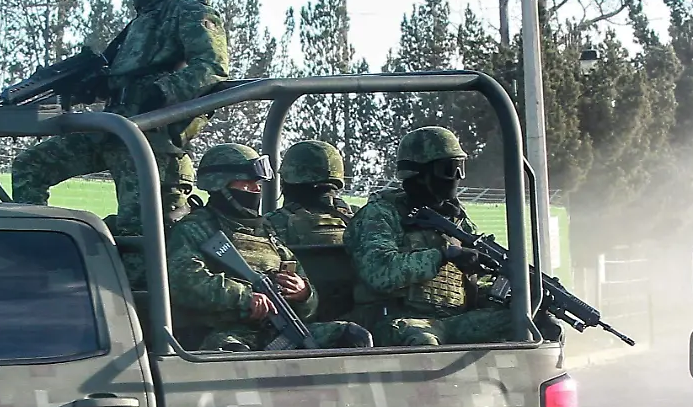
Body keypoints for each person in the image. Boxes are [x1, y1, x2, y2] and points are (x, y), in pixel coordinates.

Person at [10, 0, 227, 235]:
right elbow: (129, 71)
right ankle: (39, 244)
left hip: (151, 140)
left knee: (142, 234)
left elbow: (212, 66)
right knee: (30, 166)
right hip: (116, 129)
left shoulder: (190, 11)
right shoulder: (146, 17)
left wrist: (160, 92)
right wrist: (99, 84)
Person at [166, 144, 371, 352]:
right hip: (223, 333)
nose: (256, 190)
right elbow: (185, 281)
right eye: (247, 184)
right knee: (234, 353)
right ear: (220, 184)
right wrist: (245, 298)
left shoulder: (266, 231)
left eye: (257, 183)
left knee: (352, 336)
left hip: (274, 331)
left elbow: (308, 303)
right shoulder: (195, 229)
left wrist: (303, 293)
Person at [347, 126, 526, 347]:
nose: (457, 177)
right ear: (419, 174)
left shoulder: (457, 221)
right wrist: (444, 255)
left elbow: (477, 282)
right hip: (395, 321)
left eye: (460, 168)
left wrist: (506, 292)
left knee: (530, 320)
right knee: (425, 343)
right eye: (448, 169)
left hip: (454, 321)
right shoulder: (381, 214)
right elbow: (379, 272)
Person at [267, 139, 358, 321]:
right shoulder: (360, 221)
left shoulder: (271, 224)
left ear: (287, 179)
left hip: (301, 322)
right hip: (359, 321)